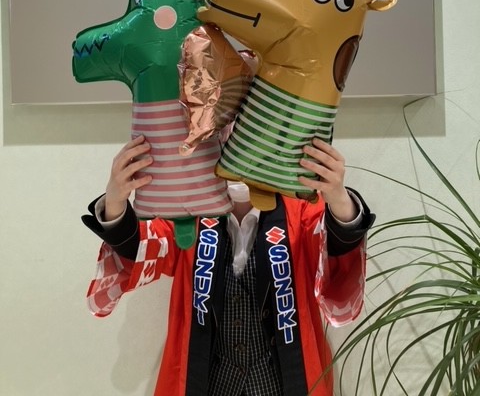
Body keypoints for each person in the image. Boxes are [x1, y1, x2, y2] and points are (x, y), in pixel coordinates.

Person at [82, 135, 374, 396]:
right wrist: (116, 202)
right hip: (209, 381)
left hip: (283, 381)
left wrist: (338, 199)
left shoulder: (301, 207)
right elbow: (146, 246)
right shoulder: (188, 212)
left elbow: (332, 249)